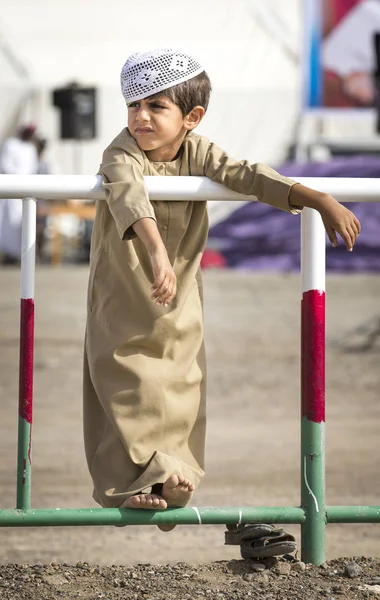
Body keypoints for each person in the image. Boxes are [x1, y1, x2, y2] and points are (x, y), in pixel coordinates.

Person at [83, 49, 361, 530]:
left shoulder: (200, 151)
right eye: (133, 106)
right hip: (125, 289)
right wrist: (155, 254)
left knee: (182, 383)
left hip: (181, 290)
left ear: (191, 118)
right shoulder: (120, 151)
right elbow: (128, 194)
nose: (140, 117)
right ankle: (134, 485)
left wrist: (316, 197)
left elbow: (248, 175)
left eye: (156, 107)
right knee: (129, 383)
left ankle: (171, 475)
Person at [0, 124, 38, 264]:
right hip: (12, 189)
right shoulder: (10, 144)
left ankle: (19, 255)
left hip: (27, 188)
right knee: (8, 224)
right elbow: (5, 165)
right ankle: (8, 254)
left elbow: (32, 168)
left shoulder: (31, 148)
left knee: (23, 223)